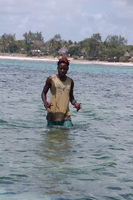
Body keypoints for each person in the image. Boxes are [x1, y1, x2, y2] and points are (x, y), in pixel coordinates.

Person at [41, 56, 82, 126]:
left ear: (67, 69)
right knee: (52, 135)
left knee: (67, 132)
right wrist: (45, 103)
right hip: (52, 114)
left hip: (65, 115)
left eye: (64, 69)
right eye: (60, 69)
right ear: (57, 68)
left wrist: (75, 104)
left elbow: (71, 96)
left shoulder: (70, 81)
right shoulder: (51, 79)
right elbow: (43, 93)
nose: (62, 70)